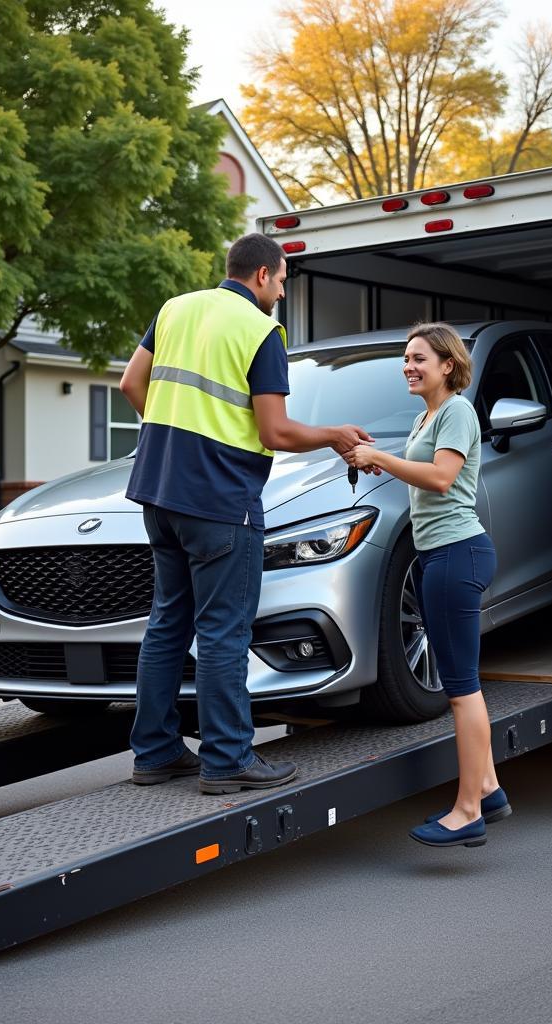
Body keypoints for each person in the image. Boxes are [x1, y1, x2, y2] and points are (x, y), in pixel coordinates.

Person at [119, 233, 373, 794]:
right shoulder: (261, 332)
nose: (281, 292)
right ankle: (228, 760)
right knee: (222, 634)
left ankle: (156, 753)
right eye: (282, 281)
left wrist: (174, 436)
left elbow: (131, 384)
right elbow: (274, 432)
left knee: (167, 625)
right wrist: (334, 435)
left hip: (159, 495)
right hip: (218, 503)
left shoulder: (175, 309)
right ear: (262, 275)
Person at [344, 323, 509, 848]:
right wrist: (377, 462)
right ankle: (489, 787)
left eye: (418, 358)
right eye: (406, 359)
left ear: (447, 365)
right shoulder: (427, 416)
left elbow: (441, 478)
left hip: (457, 555)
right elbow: (428, 474)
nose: (408, 366)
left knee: (462, 690)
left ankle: (468, 811)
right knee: (464, 685)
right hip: (441, 555)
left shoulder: (457, 410)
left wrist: (381, 459)